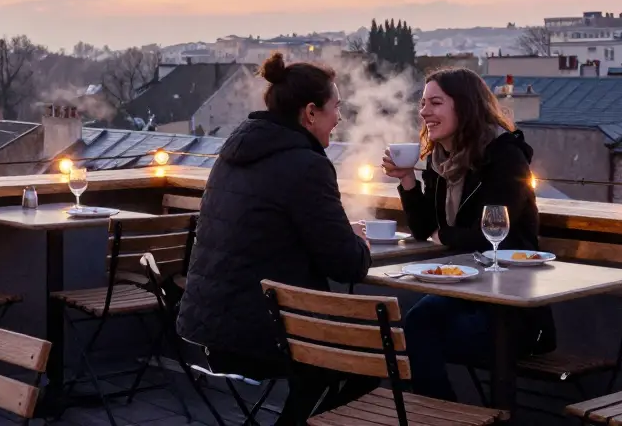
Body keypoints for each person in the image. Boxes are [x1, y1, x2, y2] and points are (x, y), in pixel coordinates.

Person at [178, 53, 374, 425]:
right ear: (311, 113)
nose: (339, 118)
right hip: (262, 335)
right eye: (336, 108)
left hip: (209, 327)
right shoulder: (307, 165)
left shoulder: (233, 153)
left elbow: (273, 233)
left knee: (327, 368)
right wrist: (359, 243)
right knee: (371, 357)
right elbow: (346, 265)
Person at [381, 68, 555, 401]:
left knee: (420, 331)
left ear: (464, 105)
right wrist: (406, 179)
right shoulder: (440, 159)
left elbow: (492, 233)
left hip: (511, 304)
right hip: (465, 291)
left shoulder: (505, 155)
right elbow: (424, 229)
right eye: (423, 104)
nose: (424, 112)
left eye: (435, 103)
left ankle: (440, 415)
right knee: (415, 324)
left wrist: (445, 236)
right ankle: (439, 416)